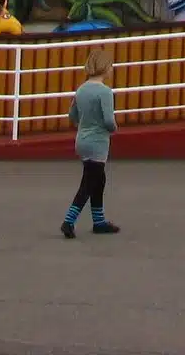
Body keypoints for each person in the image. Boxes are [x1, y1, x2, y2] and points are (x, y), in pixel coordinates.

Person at [61, 46, 120, 238]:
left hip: (82, 139)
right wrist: (113, 130)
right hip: (98, 141)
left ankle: (99, 220)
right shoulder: (105, 92)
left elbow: (72, 115)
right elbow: (109, 121)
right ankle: (69, 220)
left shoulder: (82, 89)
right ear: (105, 67)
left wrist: (84, 125)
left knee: (98, 179)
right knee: (89, 182)